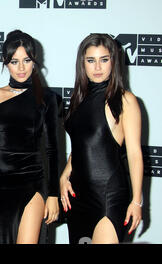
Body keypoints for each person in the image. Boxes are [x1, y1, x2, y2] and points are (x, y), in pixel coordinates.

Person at [0, 30, 60, 244]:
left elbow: (52, 149)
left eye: (26, 60)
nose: (21, 68)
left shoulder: (49, 99)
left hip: (33, 180)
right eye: (14, 61)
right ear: (5, 63)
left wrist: (53, 195)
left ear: (35, 61)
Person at [60, 33, 143, 244]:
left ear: (113, 62)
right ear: (83, 64)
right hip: (78, 196)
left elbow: (134, 154)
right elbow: (83, 145)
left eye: (104, 59)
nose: (97, 67)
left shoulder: (124, 100)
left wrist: (136, 201)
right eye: (91, 60)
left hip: (109, 195)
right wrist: (64, 175)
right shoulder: (79, 99)